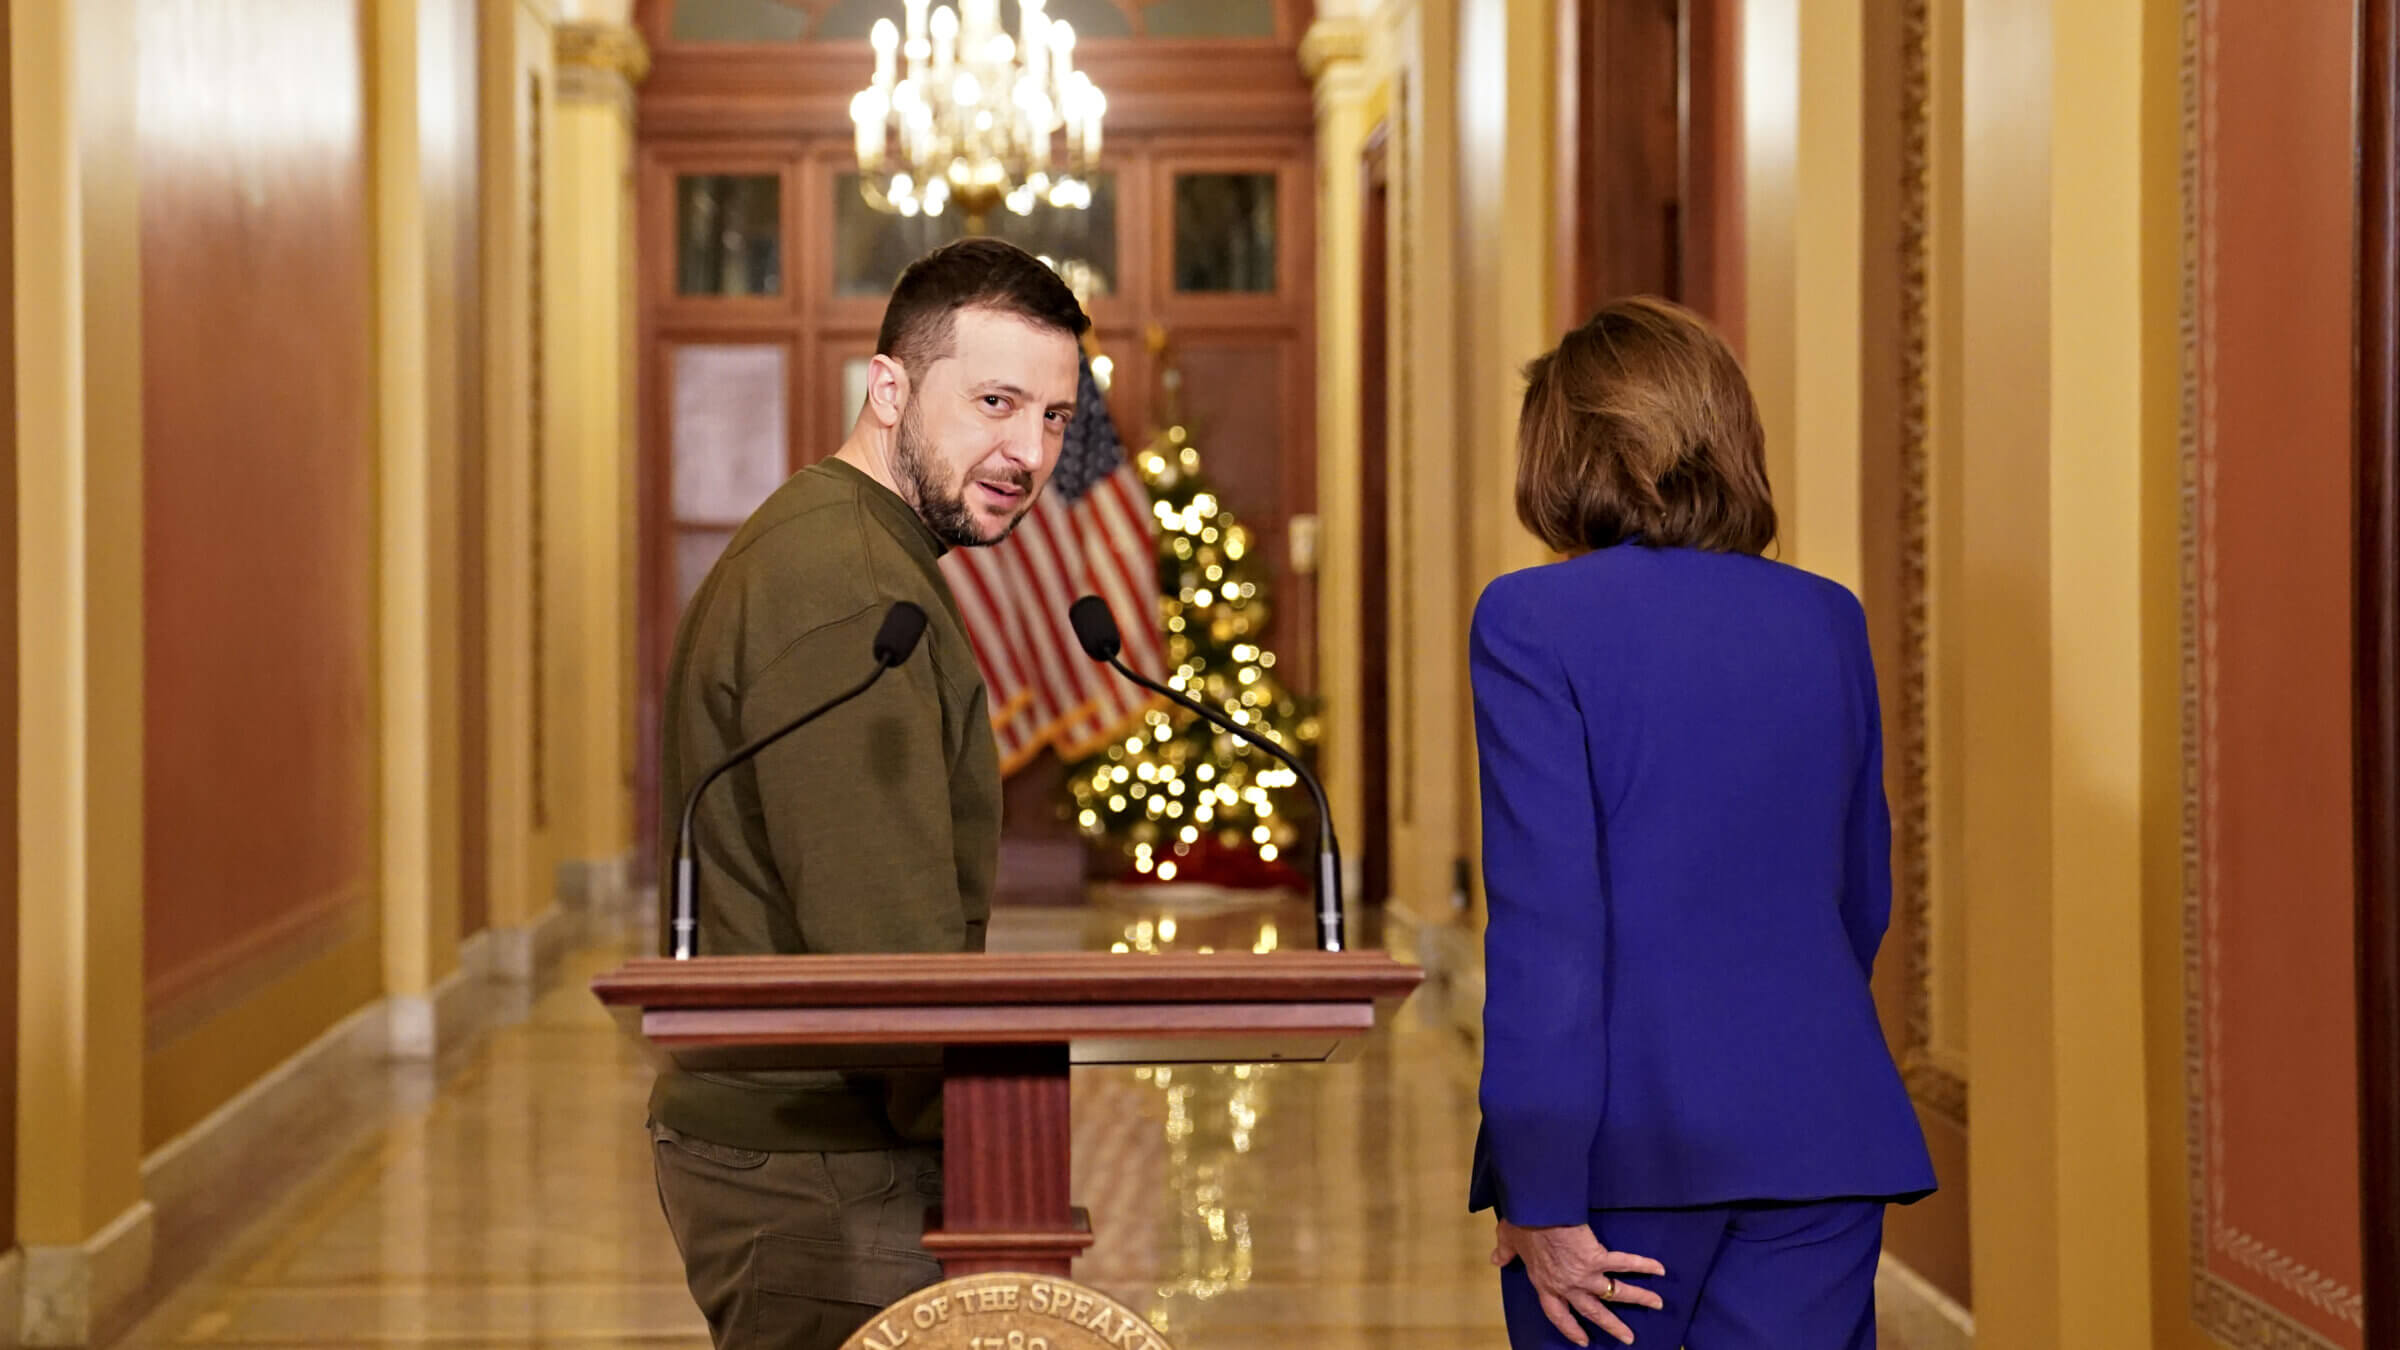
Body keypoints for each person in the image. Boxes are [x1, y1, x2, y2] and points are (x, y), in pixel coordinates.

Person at [1469, 296, 1937, 1348]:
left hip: (1620, 1154)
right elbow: (1861, 891)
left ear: (1559, 452)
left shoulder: (1529, 618)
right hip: (1823, 1131)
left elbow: (1547, 926)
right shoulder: (1827, 616)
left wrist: (1538, 1186)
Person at [648, 237, 1086, 1350]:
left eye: (1053, 417)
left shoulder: (848, 546)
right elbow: (881, 943)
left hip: (810, 1151)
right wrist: (998, 1173)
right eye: (994, 400)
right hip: (820, 1171)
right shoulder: (850, 588)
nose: (1026, 450)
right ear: (888, 387)